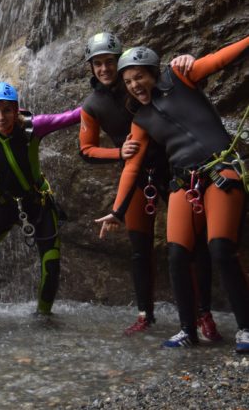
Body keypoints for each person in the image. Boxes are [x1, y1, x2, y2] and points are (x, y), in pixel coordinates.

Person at [96, 36, 249, 352]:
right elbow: (132, 167)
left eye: (140, 76)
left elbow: (219, 58)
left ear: (153, 72)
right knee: (177, 254)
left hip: (220, 170)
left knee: (220, 248)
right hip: (183, 181)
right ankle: (187, 330)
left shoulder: (180, 77)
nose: (136, 84)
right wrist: (117, 211)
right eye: (128, 81)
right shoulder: (140, 119)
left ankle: (246, 328)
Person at [0, 82, 80, 336]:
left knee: (51, 262)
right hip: (3, 204)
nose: (2, 117)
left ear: (16, 110)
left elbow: (71, 117)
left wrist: (104, 97)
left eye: (7, 110)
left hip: (38, 204)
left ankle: (43, 318)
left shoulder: (35, 127)